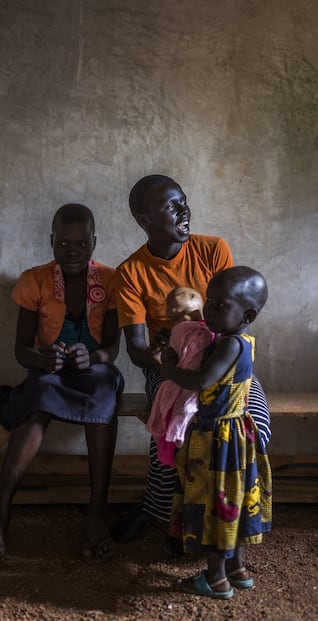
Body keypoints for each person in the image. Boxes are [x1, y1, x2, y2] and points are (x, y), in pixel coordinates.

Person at [111, 174, 271, 548]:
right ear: (144, 221)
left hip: (223, 358)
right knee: (173, 432)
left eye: (183, 200)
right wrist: (169, 357)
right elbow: (136, 348)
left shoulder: (213, 250)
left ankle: (235, 514)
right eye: (170, 205)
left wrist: (208, 357)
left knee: (254, 425)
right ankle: (165, 509)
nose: (184, 210)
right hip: (168, 366)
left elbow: (232, 320)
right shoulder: (130, 273)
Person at [0, 203, 124, 567]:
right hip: (48, 370)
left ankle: (96, 513)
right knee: (36, 396)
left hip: (93, 372)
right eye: (64, 243)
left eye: (81, 244)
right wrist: (42, 359)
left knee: (104, 399)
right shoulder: (34, 280)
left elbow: (112, 350)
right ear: (52, 241)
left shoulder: (112, 281)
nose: (72, 251)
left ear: (94, 243)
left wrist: (92, 357)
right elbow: (22, 349)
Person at [164, 266, 272, 599]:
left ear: (247, 313)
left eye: (220, 305)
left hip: (220, 438)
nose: (208, 309)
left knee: (215, 505)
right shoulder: (240, 341)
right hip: (235, 434)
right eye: (208, 301)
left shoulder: (231, 346)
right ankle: (237, 569)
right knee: (233, 503)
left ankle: (215, 579)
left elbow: (200, 381)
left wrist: (167, 368)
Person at [146, 287, 213, 467]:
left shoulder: (210, 329)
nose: (167, 307)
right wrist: (166, 360)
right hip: (182, 377)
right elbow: (171, 357)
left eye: (172, 301)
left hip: (206, 377)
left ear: (193, 298)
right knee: (173, 406)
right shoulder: (178, 330)